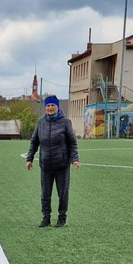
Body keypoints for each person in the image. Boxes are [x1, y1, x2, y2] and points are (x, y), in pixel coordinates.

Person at [25, 95, 80, 227]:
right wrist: (29, 158)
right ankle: (46, 218)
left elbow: (72, 143)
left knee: (63, 193)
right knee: (45, 193)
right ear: (45, 108)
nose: (50, 108)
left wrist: (75, 159)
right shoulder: (41, 123)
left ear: (57, 107)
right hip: (46, 165)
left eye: (53, 105)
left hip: (62, 164)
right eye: (48, 105)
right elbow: (34, 142)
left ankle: (62, 218)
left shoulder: (65, 122)